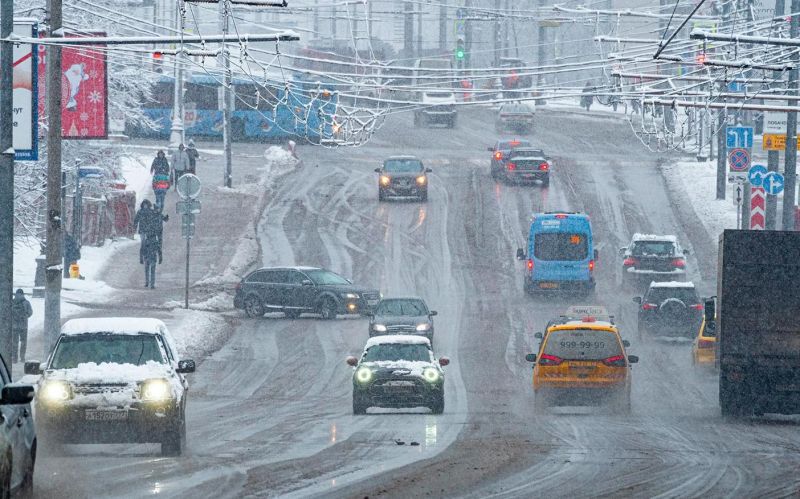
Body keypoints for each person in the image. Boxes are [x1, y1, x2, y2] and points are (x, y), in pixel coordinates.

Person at [11, 289, 32, 363]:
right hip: (23, 326)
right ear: (23, 294)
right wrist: (25, 316)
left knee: (14, 342)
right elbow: (30, 312)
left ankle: (14, 358)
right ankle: (22, 357)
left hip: (14, 326)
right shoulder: (26, 302)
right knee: (23, 342)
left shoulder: (12, 302)